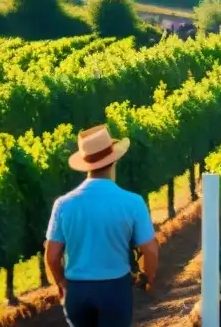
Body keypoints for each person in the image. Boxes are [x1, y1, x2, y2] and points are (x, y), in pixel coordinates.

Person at [44, 124, 159, 327]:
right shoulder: (133, 202)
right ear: (114, 160)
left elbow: (52, 257)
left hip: (77, 291)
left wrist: (62, 284)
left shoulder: (63, 204)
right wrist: (147, 276)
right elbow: (150, 249)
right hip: (115, 290)